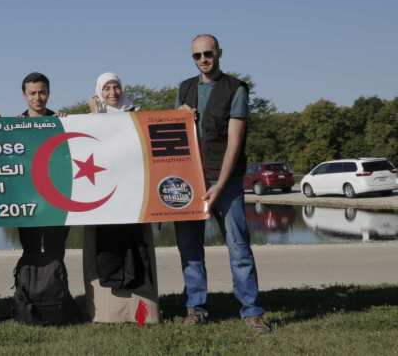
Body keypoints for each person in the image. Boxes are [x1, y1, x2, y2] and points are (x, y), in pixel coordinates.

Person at [176, 34, 269, 333]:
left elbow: (234, 143)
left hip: (224, 182)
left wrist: (220, 184)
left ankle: (252, 311)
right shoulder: (185, 89)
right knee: (190, 249)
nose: (203, 59)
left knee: (239, 248)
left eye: (208, 53)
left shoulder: (235, 89)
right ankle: (196, 308)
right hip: (190, 181)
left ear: (219, 53)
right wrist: (178, 117)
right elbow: (174, 136)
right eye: (197, 55)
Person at [82, 72, 160, 324]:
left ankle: (142, 312)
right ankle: (107, 313)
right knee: (105, 251)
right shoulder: (92, 117)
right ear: (99, 91)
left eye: (116, 87)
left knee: (137, 251)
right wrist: (96, 117)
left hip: (133, 196)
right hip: (103, 199)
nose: (112, 93)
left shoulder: (136, 114)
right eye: (107, 88)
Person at [16, 72, 70, 264]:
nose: (37, 98)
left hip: (56, 199)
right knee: (30, 250)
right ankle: (31, 292)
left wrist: (66, 124)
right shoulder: (13, 126)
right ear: (24, 95)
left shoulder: (61, 122)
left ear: (48, 93)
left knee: (56, 250)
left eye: (42, 92)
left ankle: (56, 292)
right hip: (27, 200)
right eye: (32, 93)